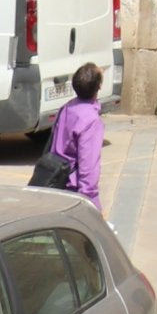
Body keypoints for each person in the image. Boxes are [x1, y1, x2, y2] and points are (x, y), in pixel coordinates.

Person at [45, 61, 104, 206]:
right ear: (99, 87)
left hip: (55, 183)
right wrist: (90, 202)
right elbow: (88, 166)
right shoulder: (91, 120)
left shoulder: (67, 108)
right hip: (74, 192)